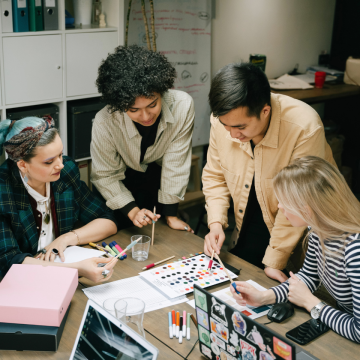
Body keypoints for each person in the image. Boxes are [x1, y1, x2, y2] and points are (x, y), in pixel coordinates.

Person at [202, 62, 336, 282]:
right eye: (226, 126)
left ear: (265, 111)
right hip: (248, 220)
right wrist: (215, 222)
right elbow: (215, 176)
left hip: (299, 231)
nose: (233, 134)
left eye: (241, 127)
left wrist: (275, 259)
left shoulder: (304, 127)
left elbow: (298, 202)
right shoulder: (224, 121)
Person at [230, 156, 360, 343]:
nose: (279, 206)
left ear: (307, 209)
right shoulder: (318, 231)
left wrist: (311, 302)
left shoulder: (355, 249)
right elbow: (308, 277)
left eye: (284, 201)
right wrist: (264, 297)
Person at [0, 116, 118, 283]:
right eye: (49, 162)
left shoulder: (66, 172)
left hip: (60, 278)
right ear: (23, 165)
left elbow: (107, 220)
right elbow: (8, 262)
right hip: (23, 284)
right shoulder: (3, 191)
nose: (60, 165)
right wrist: (78, 269)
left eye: (60, 155)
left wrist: (64, 239)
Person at [91, 44, 195, 233]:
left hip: (156, 180)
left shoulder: (182, 106)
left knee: (160, 237)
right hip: (118, 185)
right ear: (120, 105)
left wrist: (171, 215)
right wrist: (132, 211)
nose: (146, 116)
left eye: (152, 105)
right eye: (134, 110)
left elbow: (175, 163)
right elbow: (105, 175)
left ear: (162, 91)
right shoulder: (104, 121)